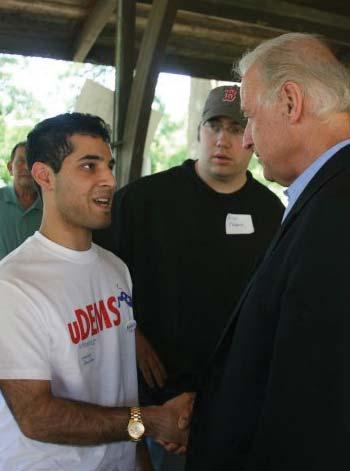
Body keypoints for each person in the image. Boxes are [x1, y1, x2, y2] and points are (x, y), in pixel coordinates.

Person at [94, 86, 284, 469]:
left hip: (234, 401)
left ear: (251, 137)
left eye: (236, 128)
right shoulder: (144, 199)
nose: (222, 140)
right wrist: (130, 332)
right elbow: (96, 271)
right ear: (199, 130)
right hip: (155, 401)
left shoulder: (271, 212)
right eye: (214, 126)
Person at [185, 33, 350, 471]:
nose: (246, 141)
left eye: (250, 118)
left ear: (291, 102)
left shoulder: (339, 207)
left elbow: (318, 402)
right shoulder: (324, 193)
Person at [0, 113, 191, 471]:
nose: (108, 179)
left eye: (108, 165)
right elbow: (36, 417)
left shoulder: (114, 269)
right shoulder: (13, 285)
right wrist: (155, 420)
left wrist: (141, 458)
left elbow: (119, 389)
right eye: (89, 166)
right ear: (44, 175)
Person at [0, 141, 42, 259]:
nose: (27, 167)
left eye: (32, 162)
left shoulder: (52, 206)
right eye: (20, 161)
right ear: (10, 168)